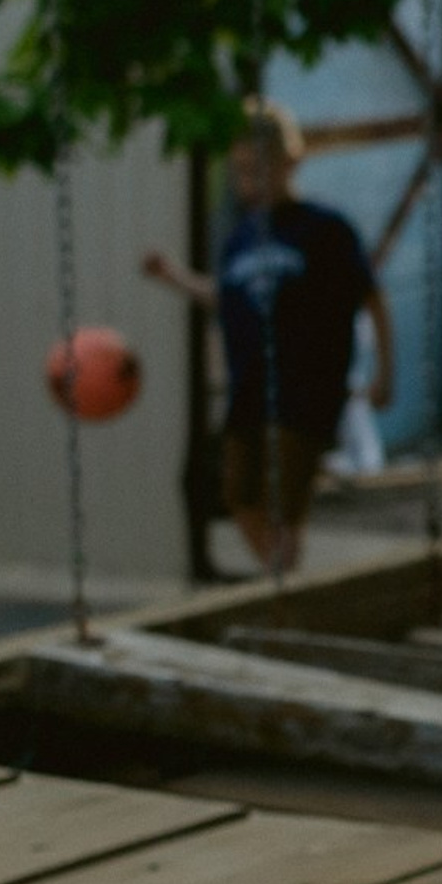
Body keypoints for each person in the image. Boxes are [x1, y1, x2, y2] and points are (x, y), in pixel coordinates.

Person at [142, 100, 393, 573]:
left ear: (289, 162)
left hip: (306, 389)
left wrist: (384, 374)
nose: (250, 180)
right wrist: (173, 277)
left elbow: (372, 297)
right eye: (240, 171)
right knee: (238, 493)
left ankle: (281, 581)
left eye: (259, 168)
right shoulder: (242, 237)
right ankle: (280, 578)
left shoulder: (324, 228)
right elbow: (226, 296)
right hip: (250, 387)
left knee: (283, 503)